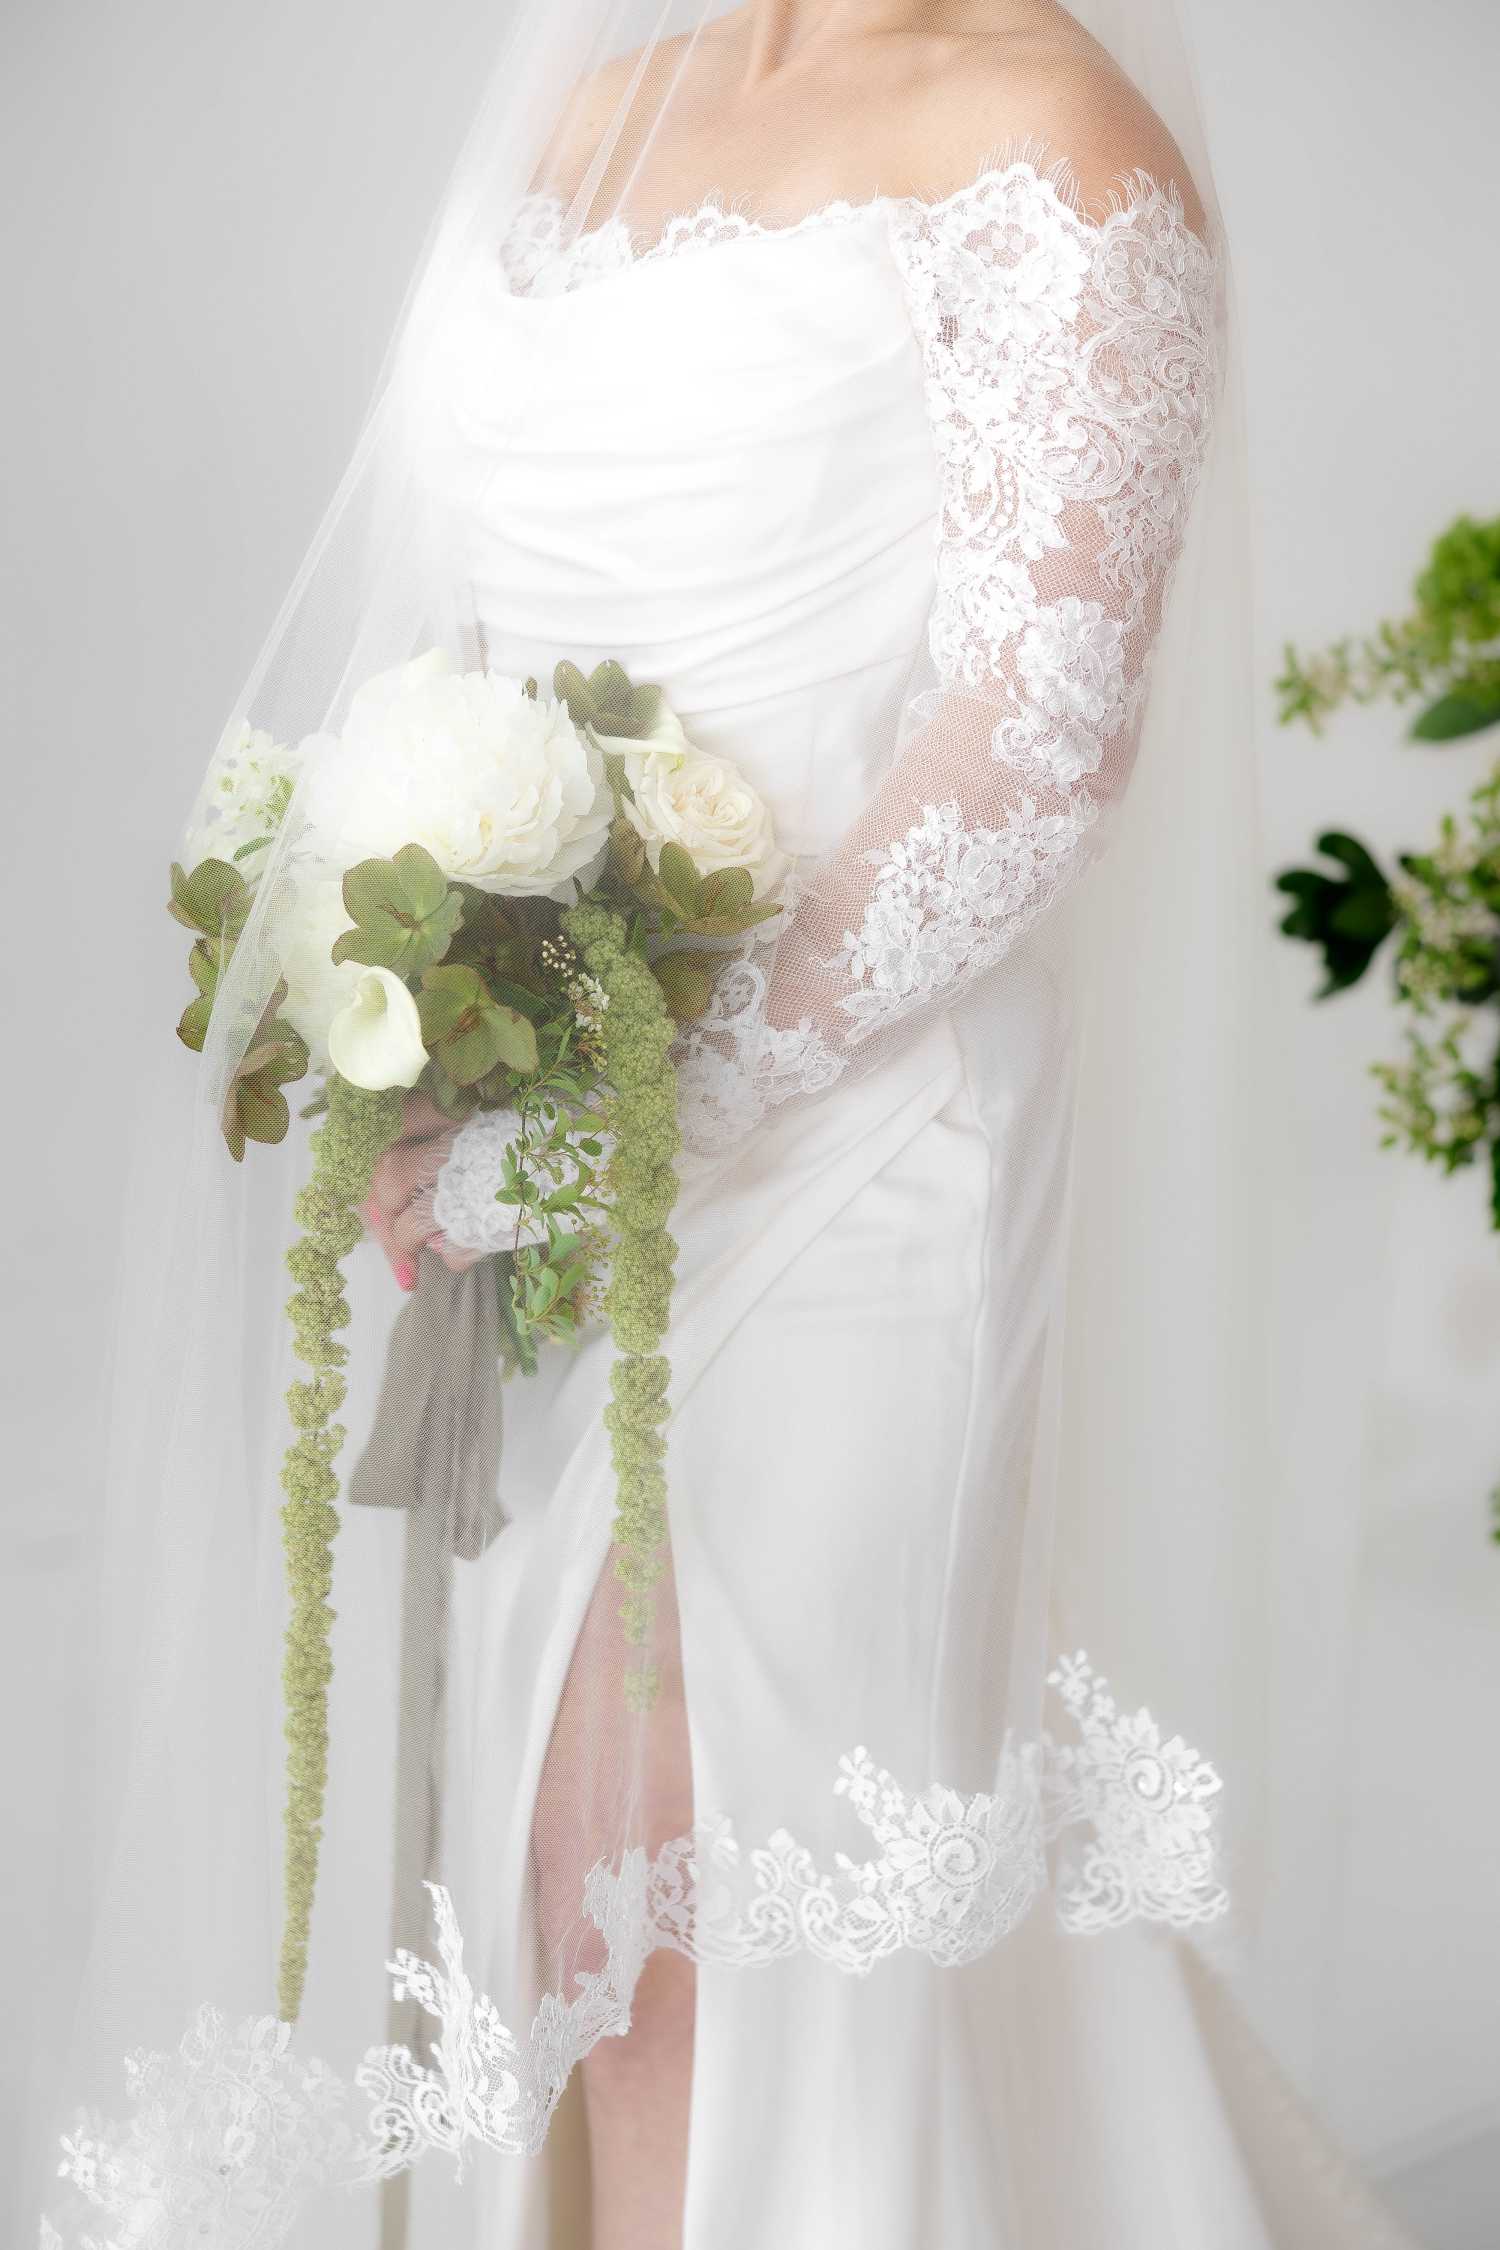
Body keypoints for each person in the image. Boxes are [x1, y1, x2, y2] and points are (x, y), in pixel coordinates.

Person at [38, 5, 1420, 2247]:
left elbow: (1041, 743)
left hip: (870, 1138)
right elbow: (465, 619)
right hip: (553, 1116)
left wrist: (624, 1116)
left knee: (677, 1881)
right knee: (557, 1886)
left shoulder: (1052, 130)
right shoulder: (596, 111)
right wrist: (426, 990)